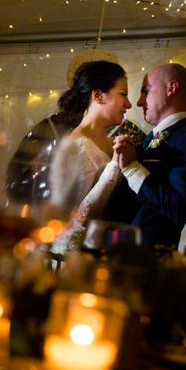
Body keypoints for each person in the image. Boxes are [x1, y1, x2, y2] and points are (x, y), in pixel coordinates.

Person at [107, 63, 186, 248]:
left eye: (146, 91)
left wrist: (133, 169)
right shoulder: (153, 137)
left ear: (171, 88)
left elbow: (179, 208)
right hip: (119, 251)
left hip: (146, 260)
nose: (139, 101)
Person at [48, 60, 131, 256]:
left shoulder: (113, 143)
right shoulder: (76, 145)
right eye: (123, 94)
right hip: (76, 255)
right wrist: (114, 166)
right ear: (98, 95)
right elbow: (76, 216)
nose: (128, 104)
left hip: (108, 249)